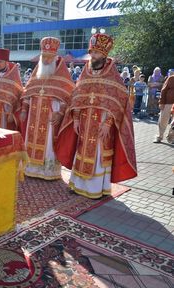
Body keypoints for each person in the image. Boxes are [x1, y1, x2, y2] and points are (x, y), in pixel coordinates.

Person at [56, 33, 137, 199]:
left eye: (96, 53)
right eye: (91, 52)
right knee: (82, 150)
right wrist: (76, 119)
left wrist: (108, 123)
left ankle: (96, 189)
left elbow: (118, 101)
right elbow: (77, 96)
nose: (93, 56)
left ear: (104, 54)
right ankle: (77, 184)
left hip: (102, 123)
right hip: (85, 122)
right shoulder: (86, 70)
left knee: (99, 155)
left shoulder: (112, 74)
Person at [19, 37, 75, 180]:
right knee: (30, 141)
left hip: (50, 116)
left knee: (49, 142)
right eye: (44, 57)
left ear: (55, 57)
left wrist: (60, 113)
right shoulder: (37, 73)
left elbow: (68, 96)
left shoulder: (62, 74)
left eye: (49, 57)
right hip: (33, 116)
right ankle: (30, 168)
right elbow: (28, 92)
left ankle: (48, 172)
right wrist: (24, 109)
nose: (46, 60)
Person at [154, 69, 174, 143]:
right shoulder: (171, 78)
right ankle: (159, 136)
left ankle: (171, 137)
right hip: (168, 103)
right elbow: (163, 90)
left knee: (173, 123)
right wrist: (161, 102)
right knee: (163, 120)